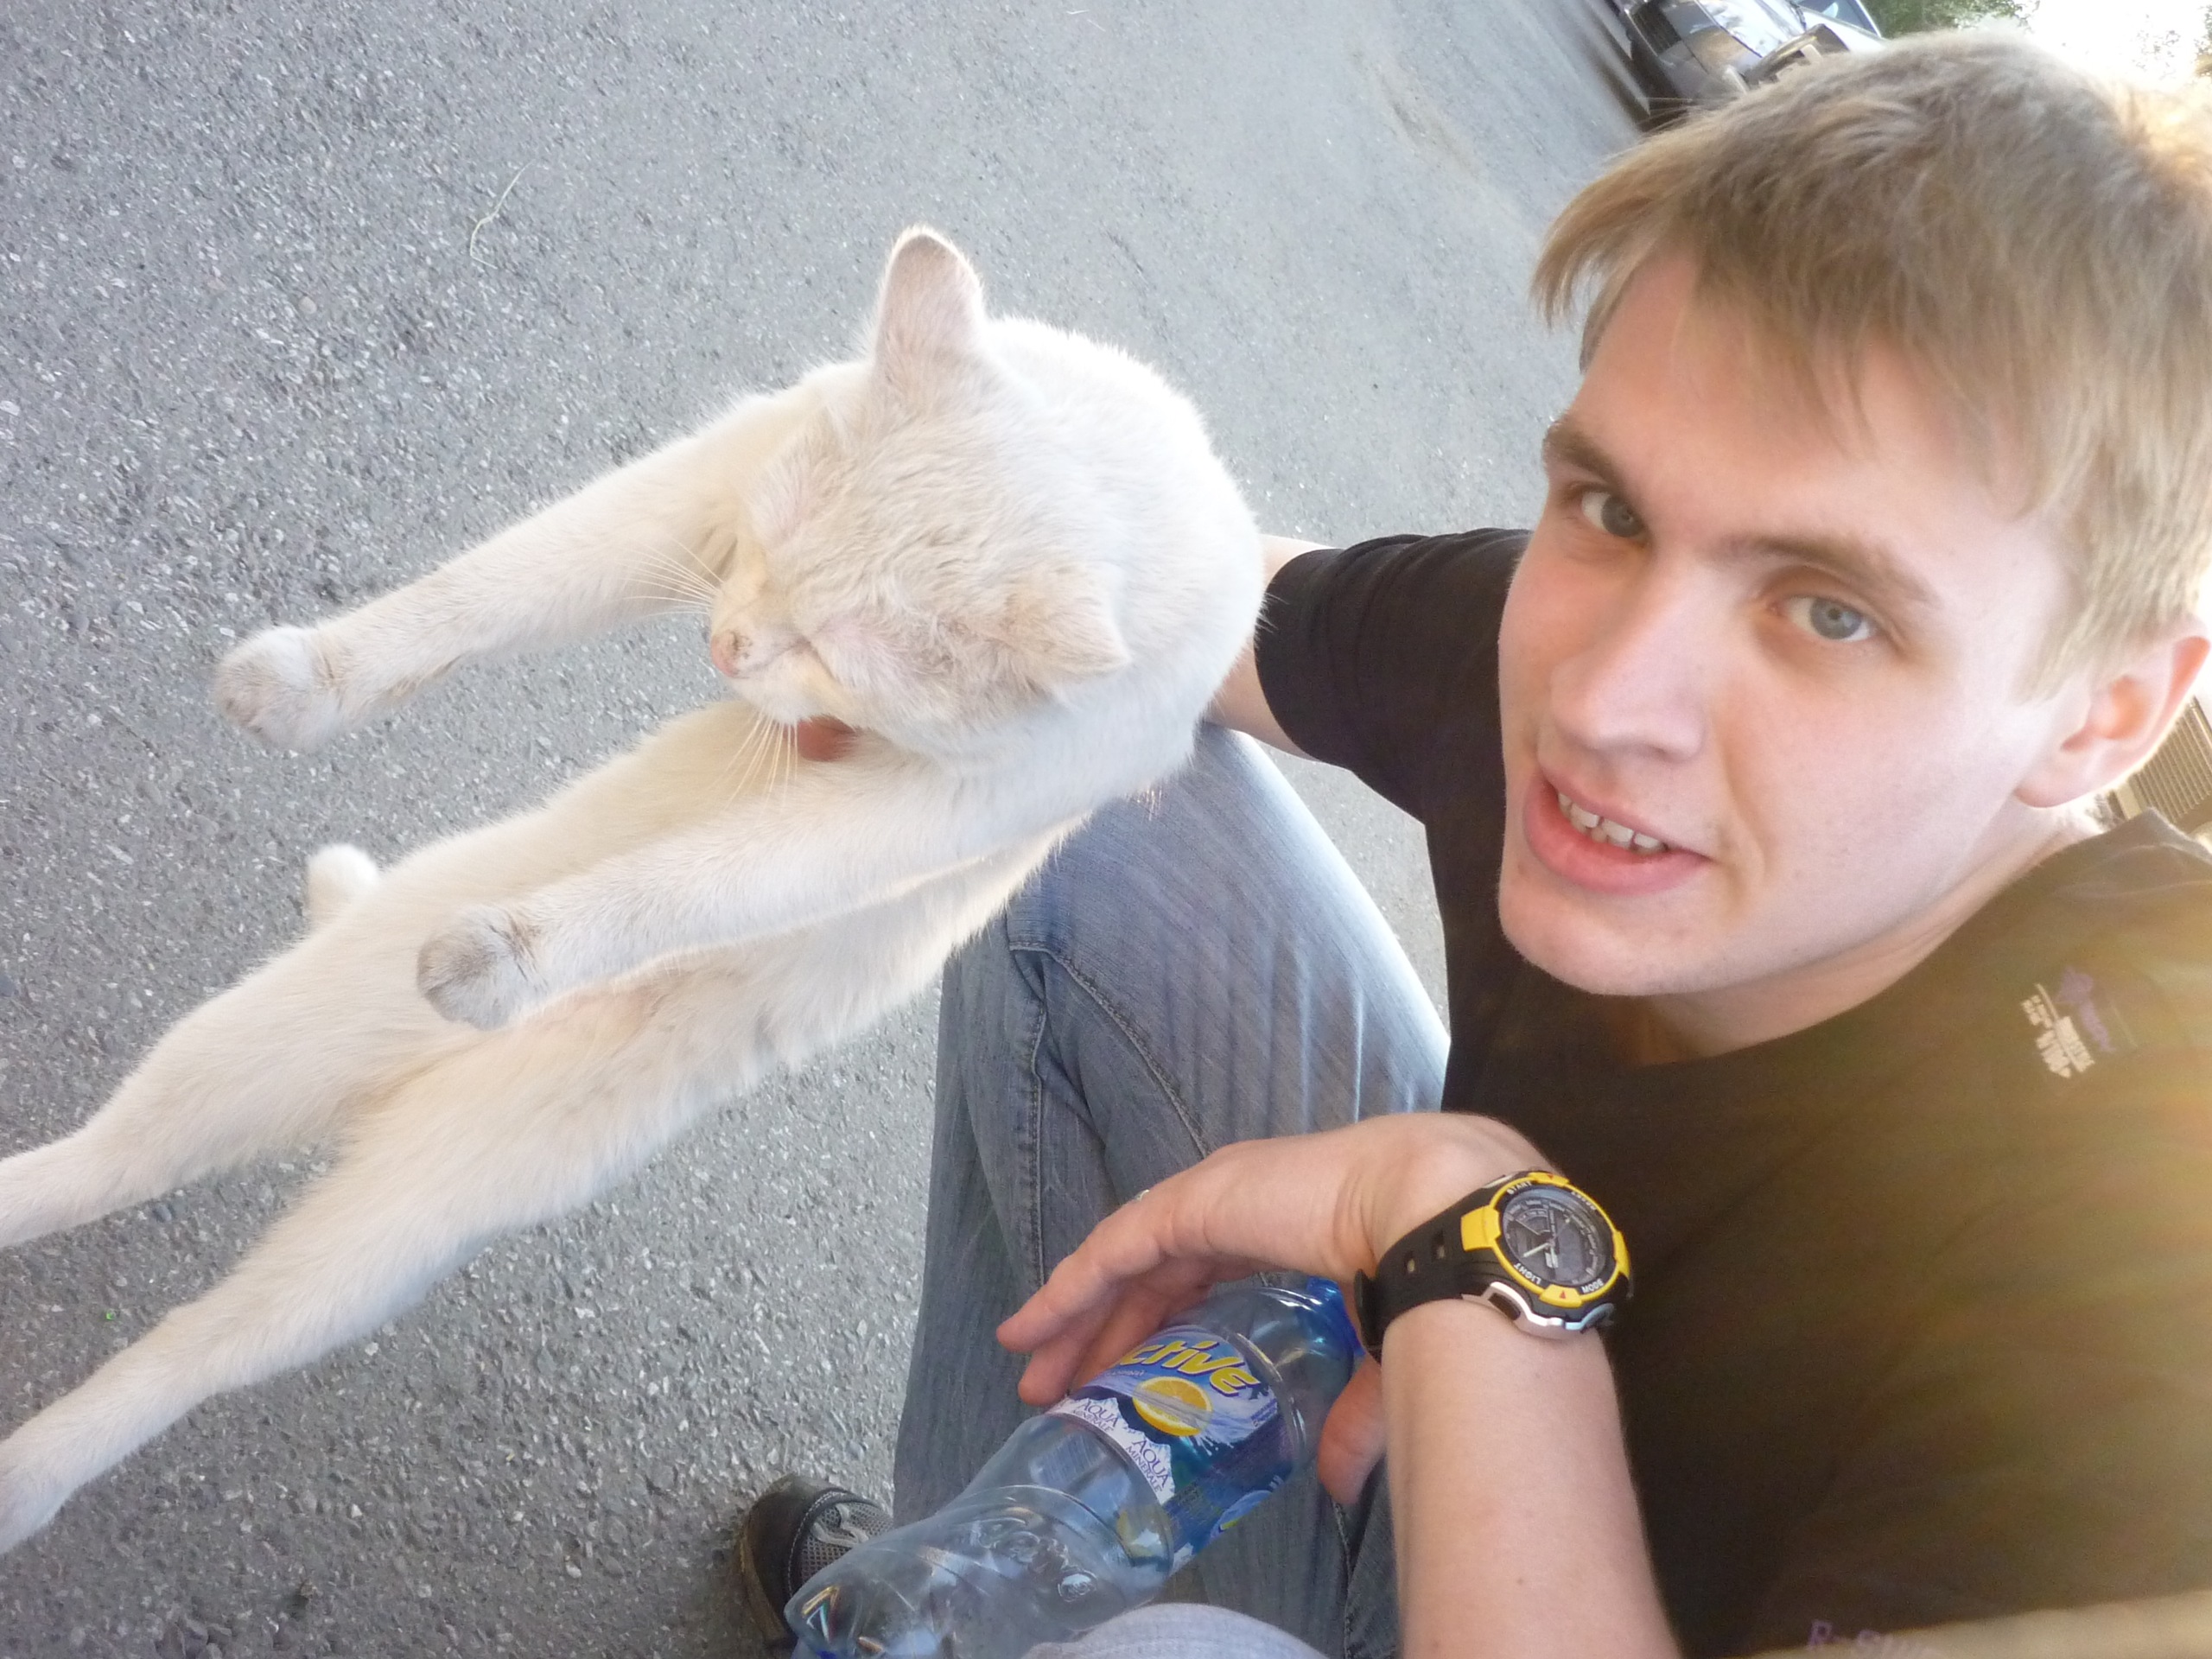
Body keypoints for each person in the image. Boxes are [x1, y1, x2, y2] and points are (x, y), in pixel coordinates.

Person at [732, 32, 2212, 1659]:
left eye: (1830, 612)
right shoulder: (1541, 634)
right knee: (1083, 778)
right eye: (1615, 509)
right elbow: (1192, 614)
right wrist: (903, 628)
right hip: (1415, 1379)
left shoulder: (2159, 1181)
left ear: (2105, 711)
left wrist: (1469, 1213)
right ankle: (932, 1604)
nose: (1602, 700)